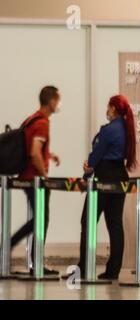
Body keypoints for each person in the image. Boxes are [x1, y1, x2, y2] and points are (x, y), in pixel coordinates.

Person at [76, 95, 137, 280]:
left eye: (108, 107)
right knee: (115, 225)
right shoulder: (127, 130)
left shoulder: (108, 130)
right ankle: (113, 271)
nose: (106, 110)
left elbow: (96, 155)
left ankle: (84, 268)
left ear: (112, 108)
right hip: (120, 177)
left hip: (104, 177)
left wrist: (86, 175)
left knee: (87, 222)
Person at [11, 86, 62, 275]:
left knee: (38, 220)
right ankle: (13, 249)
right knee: (40, 220)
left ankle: (34, 261)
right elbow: (34, 152)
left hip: (27, 176)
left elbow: (35, 149)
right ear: (51, 101)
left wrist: (50, 155)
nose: (59, 104)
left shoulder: (31, 119)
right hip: (35, 179)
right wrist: (45, 176)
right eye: (58, 100)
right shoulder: (42, 123)